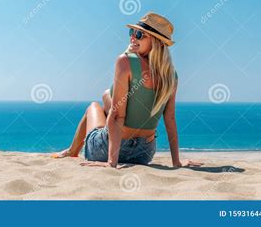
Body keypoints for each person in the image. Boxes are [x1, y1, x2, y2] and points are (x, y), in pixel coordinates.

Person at [53, 12, 202, 168]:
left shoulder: (125, 61)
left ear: (156, 41)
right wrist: (176, 162)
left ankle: (72, 150)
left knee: (93, 107)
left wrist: (112, 162)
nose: (133, 38)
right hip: (144, 153)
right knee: (106, 95)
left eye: (139, 34)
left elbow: (117, 115)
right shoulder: (171, 76)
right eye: (132, 33)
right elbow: (170, 120)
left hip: (108, 150)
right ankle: (73, 150)